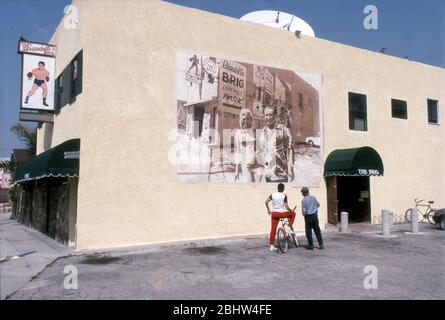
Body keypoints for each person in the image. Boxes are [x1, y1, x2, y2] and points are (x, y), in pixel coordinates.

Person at [258, 105, 294, 183]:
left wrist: (290, 168)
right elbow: (262, 152)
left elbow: (290, 148)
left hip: (280, 173)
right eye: (266, 115)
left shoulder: (283, 129)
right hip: (268, 174)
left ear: (275, 116)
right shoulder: (262, 132)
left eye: (270, 115)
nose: (268, 117)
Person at [265, 183, 296, 252]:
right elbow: (286, 207)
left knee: (273, 229)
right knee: (293, 214)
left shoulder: (273, 194)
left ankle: (272, 246)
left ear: (277, 188)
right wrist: (290, 210)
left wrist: (268, 210)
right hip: (281, 214)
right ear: (283, 189)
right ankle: (288, 227)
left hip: (274, 214)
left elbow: (266, 202)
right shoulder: (284, 195)